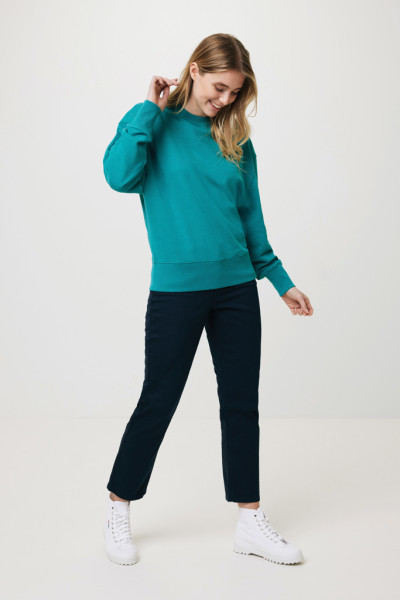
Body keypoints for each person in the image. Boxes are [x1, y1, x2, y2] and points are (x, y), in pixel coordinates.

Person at [102, 33, 313, 567]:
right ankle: (119, 507)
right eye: (219, 87)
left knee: (241, 403)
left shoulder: (235, 137)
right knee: (159, 399)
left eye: (235, 92)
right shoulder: (153, 125)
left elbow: (251, 218)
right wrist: (147, 109)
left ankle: (249, 521)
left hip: (237, 288)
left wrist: (280, 280)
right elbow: (119, 176)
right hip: (176, 291)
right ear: (194, 70)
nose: (225, 99)